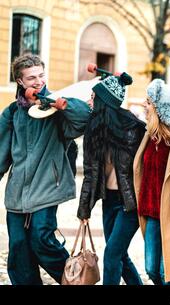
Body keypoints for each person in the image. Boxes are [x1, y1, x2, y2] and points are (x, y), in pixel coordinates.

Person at [0, 54, 91, 285]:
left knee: (41, 238)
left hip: (48, 186)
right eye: (31, 78)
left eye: (41, 75)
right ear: (20, 82)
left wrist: (60, 104)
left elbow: (83, 120)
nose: (38, 81)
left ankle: (75, 280)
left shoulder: (57, 108)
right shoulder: (12, 113)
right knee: (19, 250)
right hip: (17, 193)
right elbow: (1, 153)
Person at [77, 71, 146, 285]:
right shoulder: (94, 130)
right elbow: (90, 173)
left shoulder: (134, 128)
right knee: (120, 255)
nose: (90, 100)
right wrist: (84, 209)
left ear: (104, 102)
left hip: (131, 203)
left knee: (112, 254)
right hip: (110, 201)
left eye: (94, 97)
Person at [133, 79, 170, 285]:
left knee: (166, 272)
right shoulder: (149, 136)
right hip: (150, 211)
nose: (145, 105)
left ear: (160, 108)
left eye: (149, 102)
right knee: (151, 269)